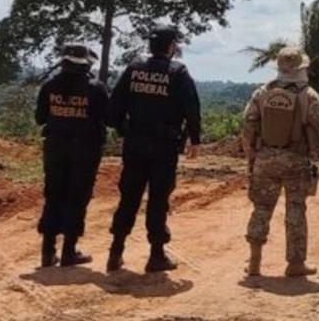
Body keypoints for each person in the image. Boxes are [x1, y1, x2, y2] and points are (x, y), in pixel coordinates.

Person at [106, 24, 201, 273]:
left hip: (135, 143)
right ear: (171, 46)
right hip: (164, 146)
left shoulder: (135, 68)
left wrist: (123, 129)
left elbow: (114, 107)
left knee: (129, 196)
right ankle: (156, 255)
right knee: (158, 199)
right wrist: (195, 140)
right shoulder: (178, 72)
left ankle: (115, 252)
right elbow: (192, 108)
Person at [242, 47, 319, 277]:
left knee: (261, 208)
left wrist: (251, 154)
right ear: (302, 68)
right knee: (295, 210)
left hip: (265, 157)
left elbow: (248, 123)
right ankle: (295, 264)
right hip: (296, 159)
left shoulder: (262, 92)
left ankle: (254, 263)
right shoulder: (309, 95)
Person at [35, 44, 109, 268]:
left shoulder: (49, 86)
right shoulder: (96, 88)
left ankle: (47, 252)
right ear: (86, 64)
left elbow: (40, 118)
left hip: (55, 148)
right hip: (85, 151)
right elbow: (109, 117)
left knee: (54, 194)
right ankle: (69, 251)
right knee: (77, 197)